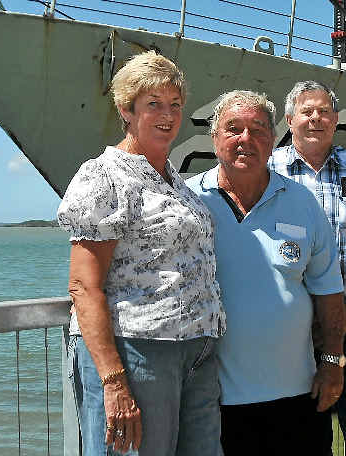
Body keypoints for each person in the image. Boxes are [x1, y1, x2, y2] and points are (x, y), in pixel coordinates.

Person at [57, 51, 224, 456]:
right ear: (126, 110)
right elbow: (83, 285)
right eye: (153, 105)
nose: (167, 115)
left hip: (197, 350)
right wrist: (114, 381)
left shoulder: (176, 182)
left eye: (175, 105)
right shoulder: (104, 175)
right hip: (139, 349)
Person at [185, 90, 346, 455]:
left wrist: (333, 362)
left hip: (299, 394)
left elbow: (329, 293)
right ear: (215, 138)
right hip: (213, 397)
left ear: (273, 141)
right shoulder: (187, 200)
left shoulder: (303, 204)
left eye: (258, 130)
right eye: (234, 129)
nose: (246, 140)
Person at [268, 81, 346, 456]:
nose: (316, 118)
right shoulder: (268, 171)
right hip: (294, 332)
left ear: (336, 119)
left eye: (324, 111)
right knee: (304, 437)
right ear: (289, 120)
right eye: (306, 111)